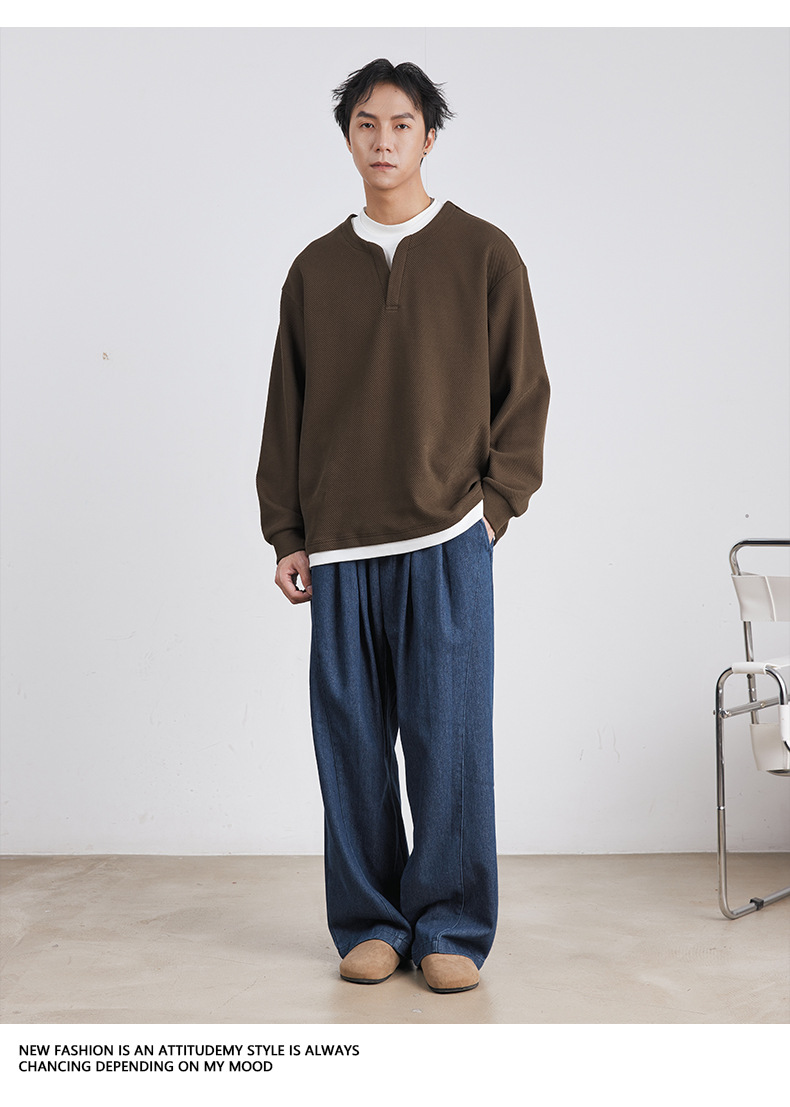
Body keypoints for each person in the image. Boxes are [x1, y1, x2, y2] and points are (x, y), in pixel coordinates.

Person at [256, 58, 549, 994]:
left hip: (445, 540)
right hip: (340, 545)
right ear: (348, 137)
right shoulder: (315, 269)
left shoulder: (484, 253)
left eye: (401, 124)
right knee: (349, 743)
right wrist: (286, 530)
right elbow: (287, 407)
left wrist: (492, 511)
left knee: (449, 739)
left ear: (429, 136)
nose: (383, 141)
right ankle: (371, 921)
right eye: (366, 124)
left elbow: (524, 393)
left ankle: (451, 924)